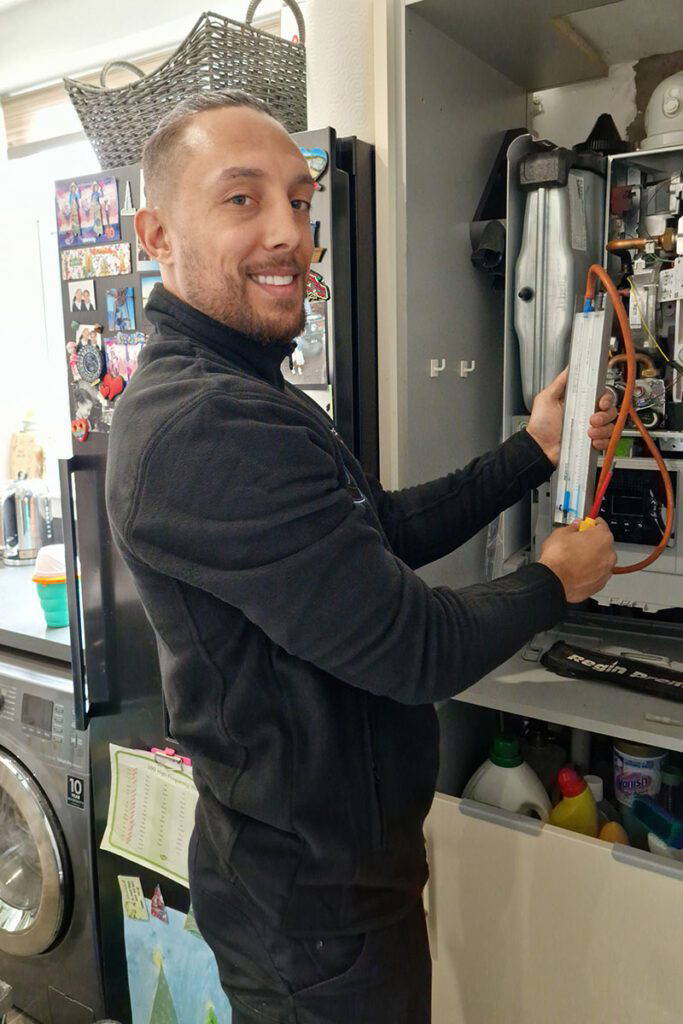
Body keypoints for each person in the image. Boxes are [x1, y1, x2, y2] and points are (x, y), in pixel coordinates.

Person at [105, 91, 617, 1024]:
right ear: (155, 234)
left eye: (299, 202)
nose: (287, 234)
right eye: (240, 199)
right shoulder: (201, 425)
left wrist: (531, 451)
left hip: (329, 886)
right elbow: (411, 645)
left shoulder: (249, 387)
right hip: (307, 915)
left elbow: (376, 529)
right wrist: (555, 582)